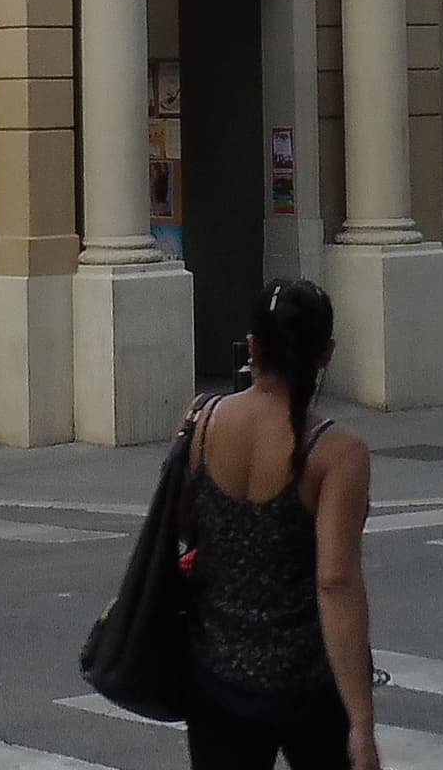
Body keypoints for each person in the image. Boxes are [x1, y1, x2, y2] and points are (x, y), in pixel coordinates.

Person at [180, 279, 379, 770]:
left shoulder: (201, 424)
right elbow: (336, 582)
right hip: (305, 683)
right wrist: (361, 722)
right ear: (326, 354)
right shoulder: (337, 453)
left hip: (216, 678)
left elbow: (189, 526)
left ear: (252, 347)